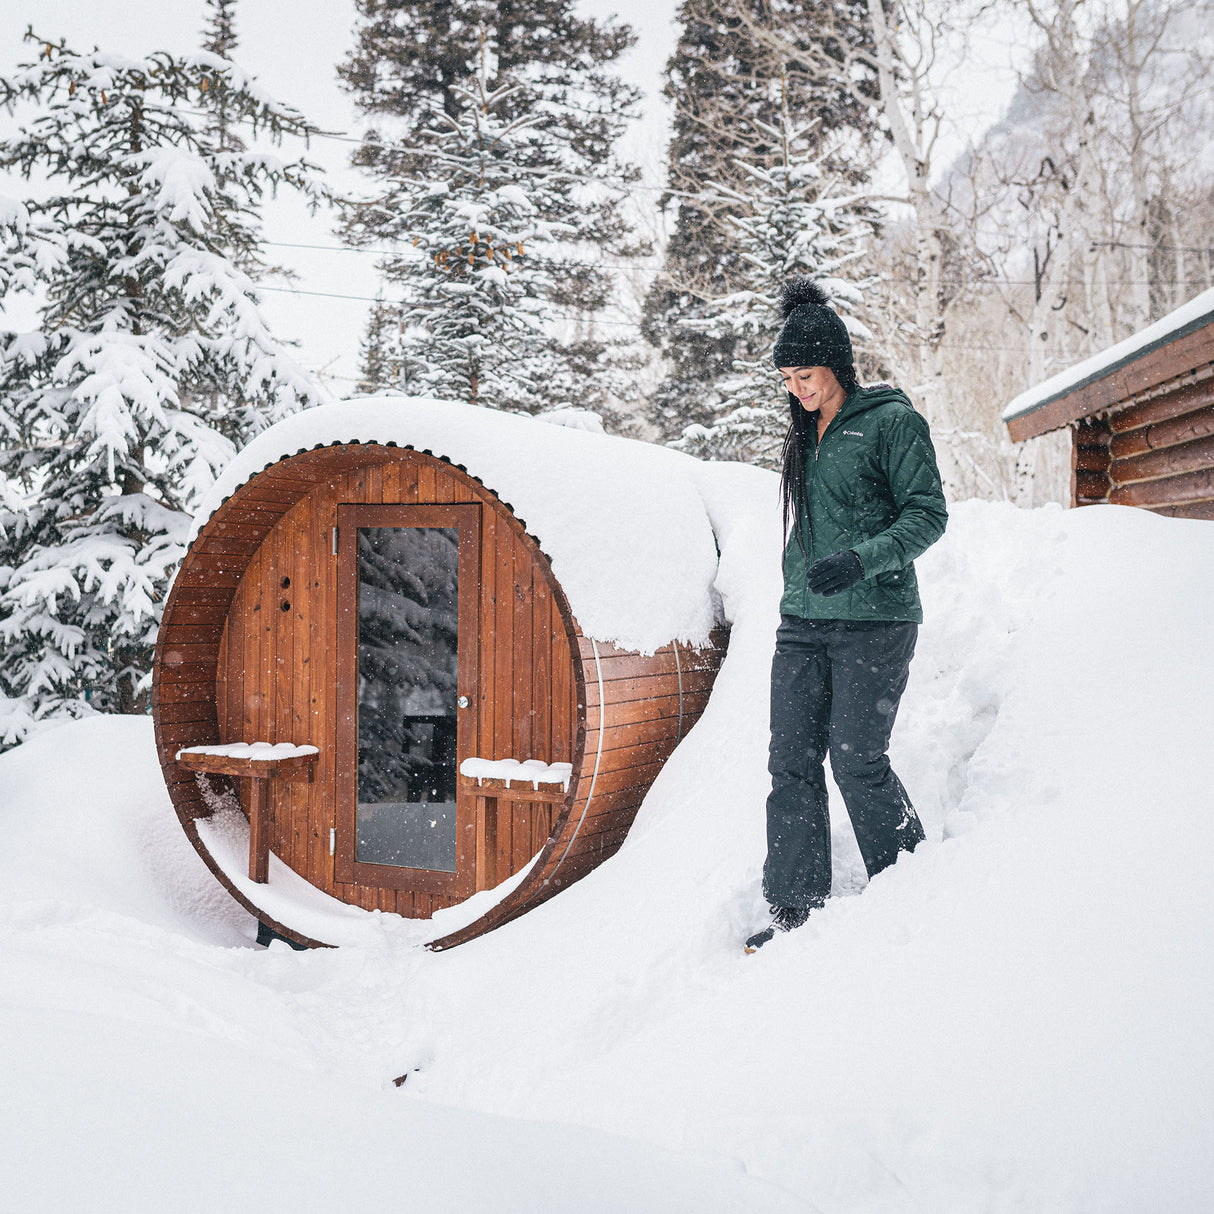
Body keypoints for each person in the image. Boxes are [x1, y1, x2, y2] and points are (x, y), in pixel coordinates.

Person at [745, 279, 948, 953]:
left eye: (804, 374)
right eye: (786, 377)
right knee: (791, 762)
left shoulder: (890, 421)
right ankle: (796, 911)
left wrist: (862, 560)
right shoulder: (807, 433)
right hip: (803, 618)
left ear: (835, 364)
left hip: (877, 619)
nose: (795, 388)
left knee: (856, 758)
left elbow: (928, 516)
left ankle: (914, 890)